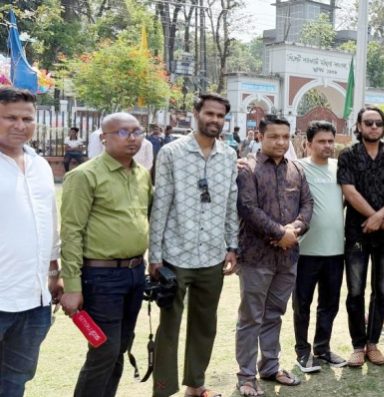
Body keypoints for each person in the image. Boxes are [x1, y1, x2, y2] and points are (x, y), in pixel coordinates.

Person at [149, 93, 240, 397]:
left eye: (220, 116)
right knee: (169, 327)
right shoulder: (172, 153)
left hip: (213, 255)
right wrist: (156, 255)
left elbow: (231, 202)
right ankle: (163, 389)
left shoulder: (228, 155)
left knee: (204, 325)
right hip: (176, 254)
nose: (214, 120)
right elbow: (160, 204)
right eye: (210, 114)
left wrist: (232, 246)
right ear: (196, 113)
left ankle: (195, 384)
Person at [59, 112, 151, 397]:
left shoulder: (141, 174)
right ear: (104, 138)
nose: (132, 138)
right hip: (101, 276)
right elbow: (71, 232)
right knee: (104, 349)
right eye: (122, 132)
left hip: (136, 272)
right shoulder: (84, 176)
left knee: (120, 347)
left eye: (137, 131)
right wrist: (71, 287)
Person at [234, 115, 313, 395]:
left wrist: (294, 230)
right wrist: (281, 233)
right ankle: (245, 376)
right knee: (251, 317)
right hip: (256, 257)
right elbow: (248, 209)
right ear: (260, 136)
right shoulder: (249, 169)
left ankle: (269, 366)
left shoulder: (296, 169)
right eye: (274, 136)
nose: (280, 142)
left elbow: (307, 204)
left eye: (285, 136)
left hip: (287, 257)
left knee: (274, 314)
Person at [337, 106, 384, 367]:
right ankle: (358, 345)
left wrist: (379, 219)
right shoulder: (348, 155)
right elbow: (350, 192)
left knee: (381, 290)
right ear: (358, 126)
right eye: (368, 123)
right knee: (355, 290)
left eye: (378, 123)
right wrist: (375, 217)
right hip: (357, 232)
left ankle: (373, 343)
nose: (374, 127)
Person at [0, 88, 60, 397]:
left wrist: (53, 274)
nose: (20, 125)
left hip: (35, 302)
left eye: (27, 118)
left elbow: (50, 224)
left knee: (15, 382)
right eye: (10, 117)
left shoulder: (41, 166)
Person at [293, 121, 348, 372]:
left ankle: (322, 348)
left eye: (330, 141)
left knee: (330, 303)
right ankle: (302, 352)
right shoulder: (297, 168)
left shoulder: (340, 168)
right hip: (305, 252)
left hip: (336, 251)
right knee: (302, 304)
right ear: (308, 143)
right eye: (321, 141)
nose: (327, 146)